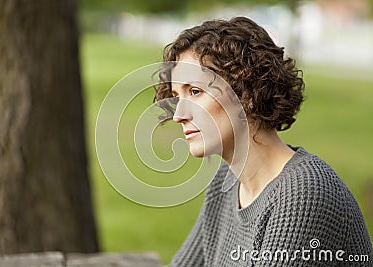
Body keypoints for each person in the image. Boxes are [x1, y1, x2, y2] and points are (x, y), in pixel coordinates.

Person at [155, 17, 372, 266]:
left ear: (247, 92)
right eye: (175, 96)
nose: (178, 114)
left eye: (195, 91)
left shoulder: (303, 195)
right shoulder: (224, 184)